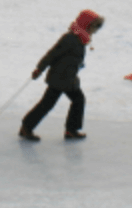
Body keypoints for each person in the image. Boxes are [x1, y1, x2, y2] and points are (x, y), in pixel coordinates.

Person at [20, 10, 103, 141]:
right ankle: (27, 127)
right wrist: (39, 69)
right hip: (59, 78)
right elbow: (52, 54)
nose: (95, 31)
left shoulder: (81, 39)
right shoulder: (70, 38)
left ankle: (70, 130)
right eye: (94, 27)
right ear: (86, 24)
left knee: (75, 100)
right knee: (51, 103)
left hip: (69, 78)